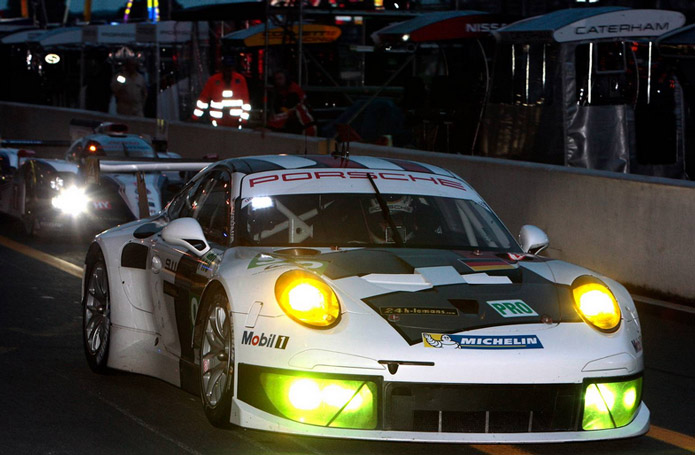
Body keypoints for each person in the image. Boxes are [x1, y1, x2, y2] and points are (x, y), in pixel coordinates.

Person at [192, 56, 250, 128]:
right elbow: (203, 100)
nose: (228, 70)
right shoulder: (213, 80)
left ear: (233, 68)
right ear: (222, 68)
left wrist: (244, 120)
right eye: (226, 67)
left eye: (229, 67)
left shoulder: (240, 80)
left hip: (236, 123)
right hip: (217, 123)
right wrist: (195, 117)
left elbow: (245, 102)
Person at [268, 70, 316, 136]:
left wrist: (270, 127)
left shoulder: (293, 92)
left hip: (306, 127)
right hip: (298, 125)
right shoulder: (283, 91)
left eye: (280, 78)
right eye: (276, 79)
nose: (278, 81)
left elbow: (287, 111)